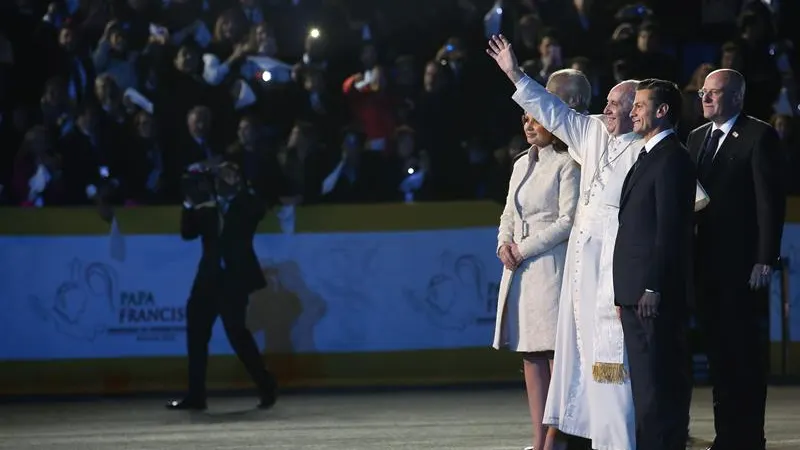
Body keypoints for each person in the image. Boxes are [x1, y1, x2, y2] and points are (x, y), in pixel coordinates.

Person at [487, 33, 673, 450]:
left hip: (614, 269)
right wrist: (515, 73)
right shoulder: (589, 132)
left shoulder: (649, 150)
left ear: (637, 112)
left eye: (617, 104)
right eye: (605, 102)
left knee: (616, 363)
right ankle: (583, 439)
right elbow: (549, 110)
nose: (606, 109)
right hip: (578, 272)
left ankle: (623, 438)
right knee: (578, 360)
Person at [687, 69, 785, 450]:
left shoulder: (759, 136)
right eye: (703, 93)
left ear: (738, 98)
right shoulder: (696, 138)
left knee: (743, 355)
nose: (706, 98)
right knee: (718, 356)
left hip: (743, 267)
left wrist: (765, 258)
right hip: (705, 266)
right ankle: (727, 434)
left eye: (715, 93)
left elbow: (769, 203)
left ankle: (747, 436)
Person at [614, 79, 696, 450]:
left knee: (660, 384)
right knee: (646, 387)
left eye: (641, 105)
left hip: (652, 294)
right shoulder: (648, 156)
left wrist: (653, 286)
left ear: (662, 111)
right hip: (635, 293)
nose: (633, 111)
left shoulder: (673, 158)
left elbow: (670, 230)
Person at [493, 111, 580, 450]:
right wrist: (503, 243)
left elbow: (567, 220)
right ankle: (539, 438)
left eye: (536, 119)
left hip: (550, 265)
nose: (528, 125)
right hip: (520, 269)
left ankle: (558, 439)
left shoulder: (566, 162)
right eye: (524, 119)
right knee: (530, 354)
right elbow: (508, 213)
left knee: (555, 354)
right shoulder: (519, 163)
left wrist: (522, 248)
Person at [167, 161, 278, 411]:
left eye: (232, 172)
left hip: (234, 278)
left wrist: (233, 193)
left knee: (236, 333)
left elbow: (255, 213)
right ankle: (196, 396)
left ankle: (266, 384)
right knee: (196, 334)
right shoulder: (207, 204)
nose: (226, 176)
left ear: (239, 178)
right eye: (222, 172)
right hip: (207, 277)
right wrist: (189, 202)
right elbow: (188, 233)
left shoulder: (247, 202)